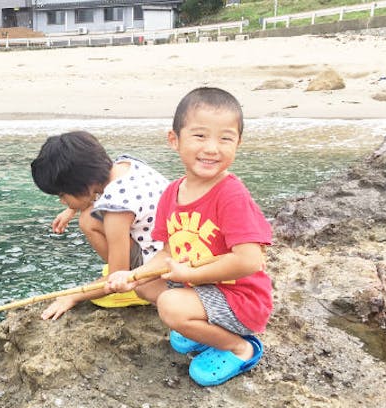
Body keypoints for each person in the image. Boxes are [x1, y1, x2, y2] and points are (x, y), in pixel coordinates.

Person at [106, 87, 272, 386]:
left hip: (240, 299)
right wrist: (133, 275)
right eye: (200, 136)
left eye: (225, 138)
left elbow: (251, 261)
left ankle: (239, 347)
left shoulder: (230, 194)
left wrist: (191, 273)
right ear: (174, 140)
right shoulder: (172, 192)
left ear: (238, 143)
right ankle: (203, 327)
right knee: (146, 285)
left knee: (171, 305)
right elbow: (167, 252)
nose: (212, 148)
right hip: (205, 288)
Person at [31, 130, 169, 320]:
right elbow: (98, 193)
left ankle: (139, 282)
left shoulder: (115, 209)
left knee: (88, 219)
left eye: (62, 195)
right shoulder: (126, 164)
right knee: (89, 213)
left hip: (160, 263)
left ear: (82, 185)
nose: (61, 201)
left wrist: (73, 296)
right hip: (178, 245)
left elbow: (116, 276)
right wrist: (72, 208)